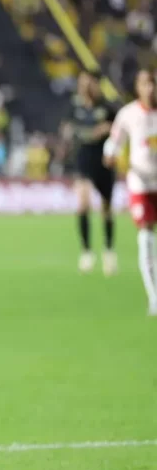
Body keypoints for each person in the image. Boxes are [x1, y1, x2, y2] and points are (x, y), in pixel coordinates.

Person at [103, 69, 157, 316]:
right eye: (146, 84)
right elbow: (115, 139)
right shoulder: (128, 114)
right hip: (140, 182)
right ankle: (154, 296)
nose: (151, 89)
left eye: (153, 84)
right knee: (145, 235)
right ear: (138, 87)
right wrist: (110, 152)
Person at [63, 70, 120, 274]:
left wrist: (109, 131)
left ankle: (108, 250)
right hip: (83, 161)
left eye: (89, 82)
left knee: (106, 209)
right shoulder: (75, 107)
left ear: (97, 84)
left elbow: (118, 130)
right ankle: (86, 251)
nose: (85, 86)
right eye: (82, 82)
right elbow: (67, 128)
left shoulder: (107, 108)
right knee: (83, 204)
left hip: (104, 162)